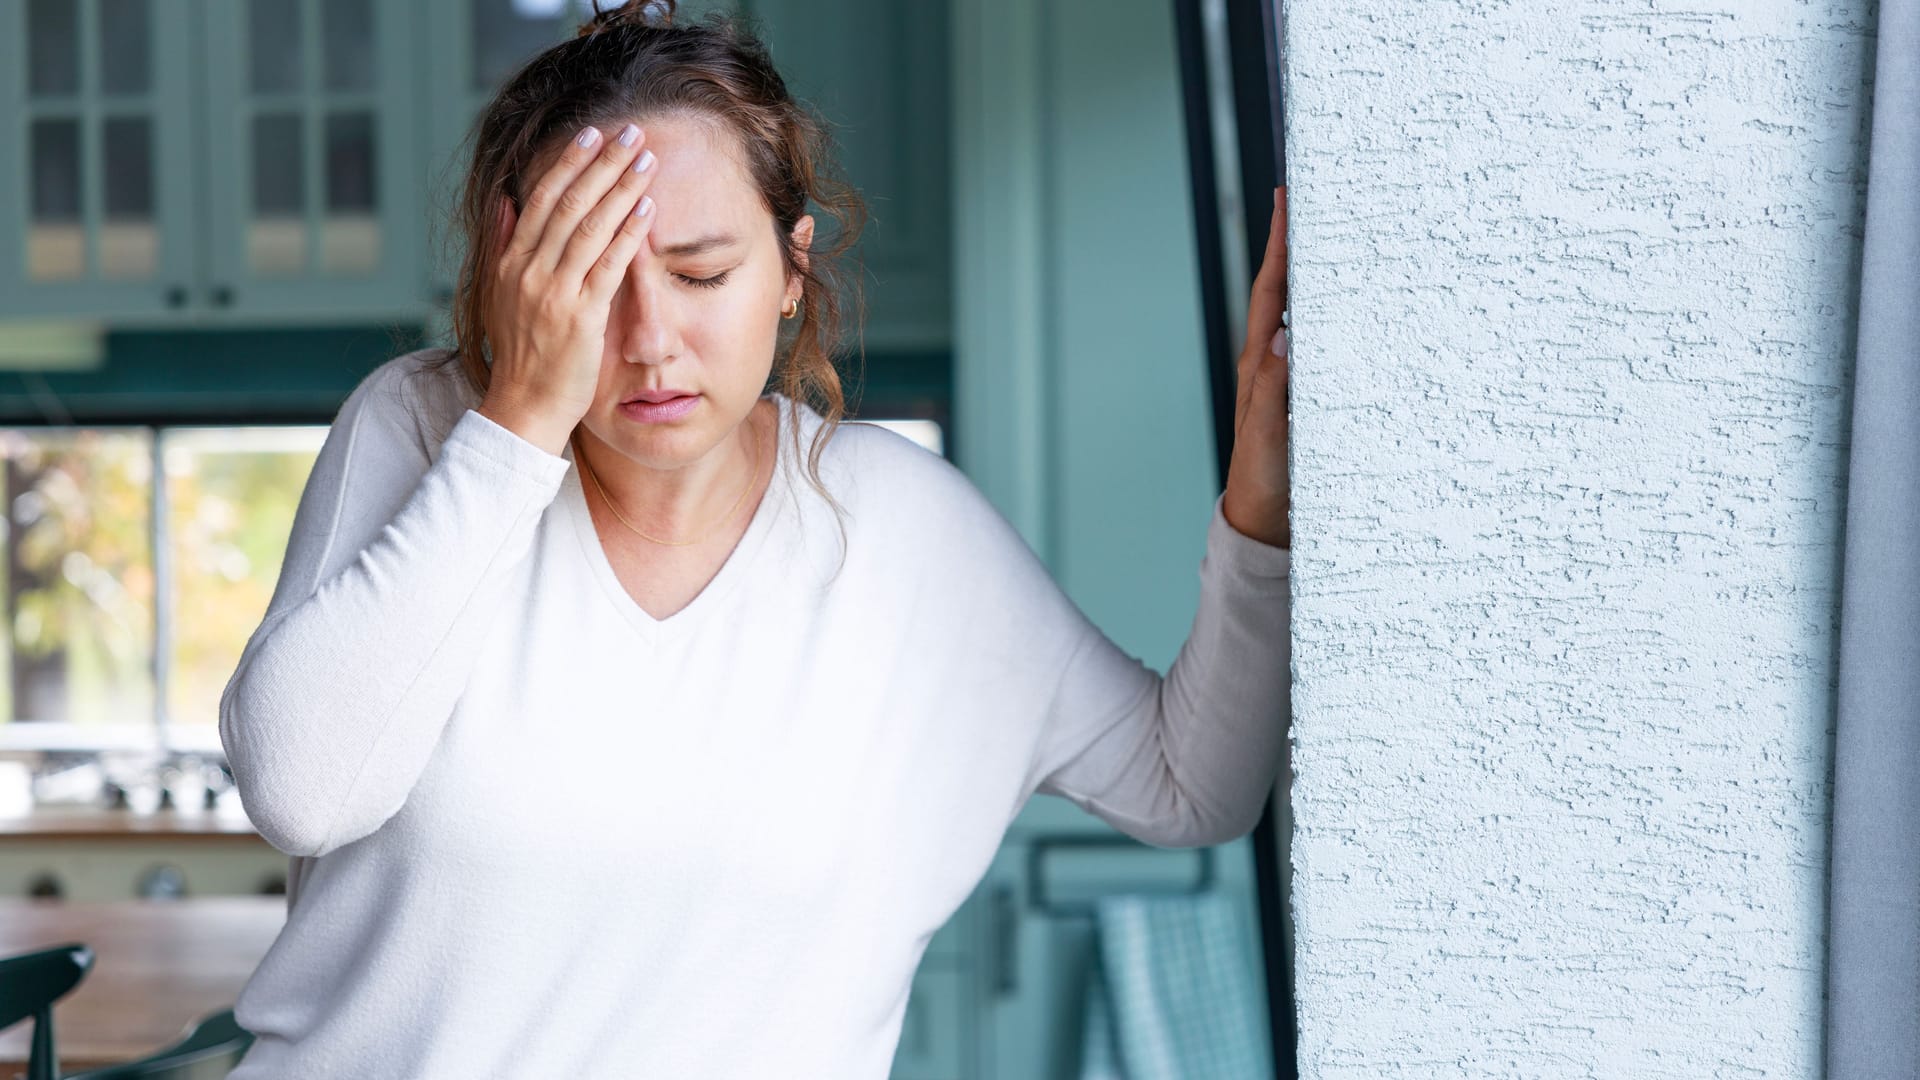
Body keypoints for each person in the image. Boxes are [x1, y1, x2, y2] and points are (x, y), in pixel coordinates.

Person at [215, 1, 1293, 1075]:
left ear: (791, 271)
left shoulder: (904, 532)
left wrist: (1263, 517)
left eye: (700, 275)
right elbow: (301, 791)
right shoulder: (427, 429)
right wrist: (522, 420)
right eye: (591, 283)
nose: (646, 342)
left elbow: (1192, 783)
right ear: (517, 275)